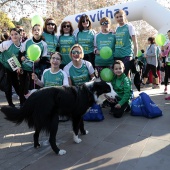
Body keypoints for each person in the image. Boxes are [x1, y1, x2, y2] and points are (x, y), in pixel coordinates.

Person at [19, 24, 47, 101]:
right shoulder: (28, 41)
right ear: (32, 31)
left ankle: (33, 103)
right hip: (24, 67)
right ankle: (22, 103)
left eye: (38, 30)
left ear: (41, 32)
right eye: (35, 30)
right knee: (23, 86)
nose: (36, 31)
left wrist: (39, 59)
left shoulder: (44, 44)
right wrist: (22, 57)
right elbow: (21, 52)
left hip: (35, 69)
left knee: (33, 87)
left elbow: (44, 58)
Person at [0, 28, 24, 107]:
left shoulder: (22, 46)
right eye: (12, 34)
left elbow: (19, 59)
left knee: (17, 84)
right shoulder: (7, 44)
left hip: (13, 67)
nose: (14, 36)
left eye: (16, 34)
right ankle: (10, 104)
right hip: (3, 65)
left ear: (20, 35)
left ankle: (22, 101)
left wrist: (19, 66)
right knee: (8, 85)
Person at [114, 10, 138, 77]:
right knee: (119, 75)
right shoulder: (117, 28)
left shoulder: (129, 27)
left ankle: (128, 87)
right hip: (117, 55)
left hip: (126, 55)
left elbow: (135, 43)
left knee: (125, 74)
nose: (119, 18)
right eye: (117, 17)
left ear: (124, 16)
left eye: (121, 16)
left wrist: (135, 57)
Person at [161, 30, 170, 94]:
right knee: (167, 75)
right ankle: (166, 88)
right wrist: (162, 49)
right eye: (168, 35)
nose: (169, 37)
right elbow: (164, 54)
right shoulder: (167, 43)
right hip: (168, 62)